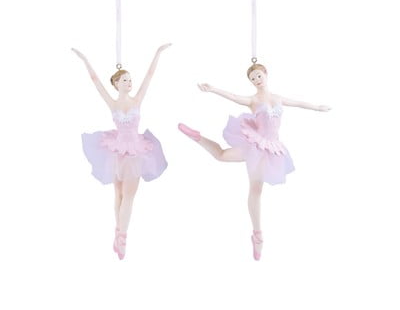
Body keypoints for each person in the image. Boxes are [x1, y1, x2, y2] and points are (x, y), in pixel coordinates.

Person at [178, 63, 331, 260]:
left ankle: (257, 236)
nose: (257, 80)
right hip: (256, 144)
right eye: (253, 79)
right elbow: (233, 96)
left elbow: (298, 103)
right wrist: (213, 89)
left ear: (266, 74)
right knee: (228, 162)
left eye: (259, 76)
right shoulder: (253, 100)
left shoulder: (278, 98)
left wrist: (318, 107)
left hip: (271, 147)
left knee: (249, 184)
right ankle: (198, 138)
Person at [72, 44, 171, 259]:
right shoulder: (112, 103)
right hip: (116, 150)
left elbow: (149, 75)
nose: (129, 82)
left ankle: (120, 236)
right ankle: (120, 235)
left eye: (129, 79)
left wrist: (157, 53)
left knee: (128, 195)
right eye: (124, 80)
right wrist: (85, 60)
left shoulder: (137, 100)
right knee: (119, 194)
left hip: (135, 150)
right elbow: (96, 82)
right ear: (116, 84)